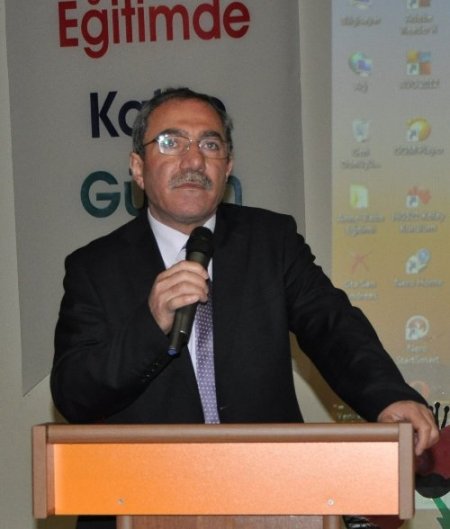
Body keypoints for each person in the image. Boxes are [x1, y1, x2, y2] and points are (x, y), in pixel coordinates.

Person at [51, 87, 439, 529]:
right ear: (138, 168)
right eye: (171, 142)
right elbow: (74, 394)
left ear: (228, 166)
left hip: (271, 500)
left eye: (210, 144)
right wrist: (150, 324)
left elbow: (332, 325)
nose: (193, 160)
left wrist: (388, 395)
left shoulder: (272, 241)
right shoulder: (94, 267)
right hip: (142, 500)